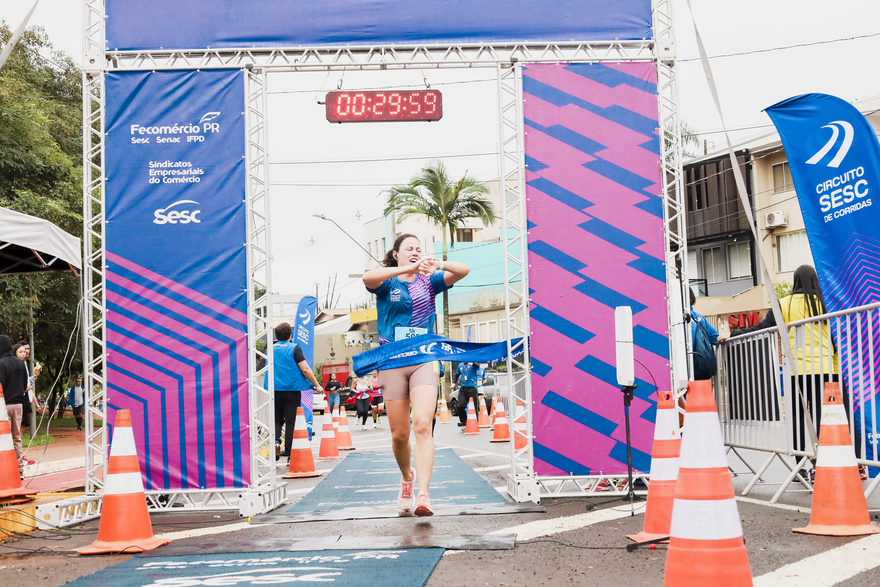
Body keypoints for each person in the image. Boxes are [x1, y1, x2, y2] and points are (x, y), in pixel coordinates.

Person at [362, 233, 469, 515]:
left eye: (419, 249)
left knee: (423, 423)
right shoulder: (388, 283)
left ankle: (424, 495)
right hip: (391, 360)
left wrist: (439, 263)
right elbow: (367, 278)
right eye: (409, 248)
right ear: (396, 254)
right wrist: (405, 270)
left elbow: (464, 270)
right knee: (400, 434)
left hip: (424, 357)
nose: (415, 252)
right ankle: (407, 479)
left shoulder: (429, 283)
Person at [734, 265, 847, 469]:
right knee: (826, 418)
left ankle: (799, 465)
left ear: (795, 281)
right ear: (816, 280)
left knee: (797, 418)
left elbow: (762, 327)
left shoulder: (785, 304)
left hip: (798, 370)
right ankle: (824, 463)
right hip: (828, 369)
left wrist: (732, 335)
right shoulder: (827, 303)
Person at [267, 322, 323, 459]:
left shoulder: (270, 349)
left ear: (276, 335)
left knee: (277, 419)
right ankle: (290, 451)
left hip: (275, 390)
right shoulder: (294, 348)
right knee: (291, 420)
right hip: (292, 390)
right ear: (290, 334)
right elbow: (305, 369)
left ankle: (275, 442)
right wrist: (317, 385)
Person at [0, 335, 30, 476]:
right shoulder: (20, 363)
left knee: (3, 437)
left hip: (4, 405)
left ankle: (5, 470)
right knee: (16, 437)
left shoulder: (1, 363)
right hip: (19, 404)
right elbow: (25, 385)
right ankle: (20, 470)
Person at [454, 362, 482, 428]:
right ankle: (464, 422)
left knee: (474, 406)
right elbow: (456, 375)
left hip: (472, 387)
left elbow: (477, 366)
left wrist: (473, 364)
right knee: (460, 405)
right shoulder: (460, 365)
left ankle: (475, 422)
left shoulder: (472, 363)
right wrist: (453, 383)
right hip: (463, 388)